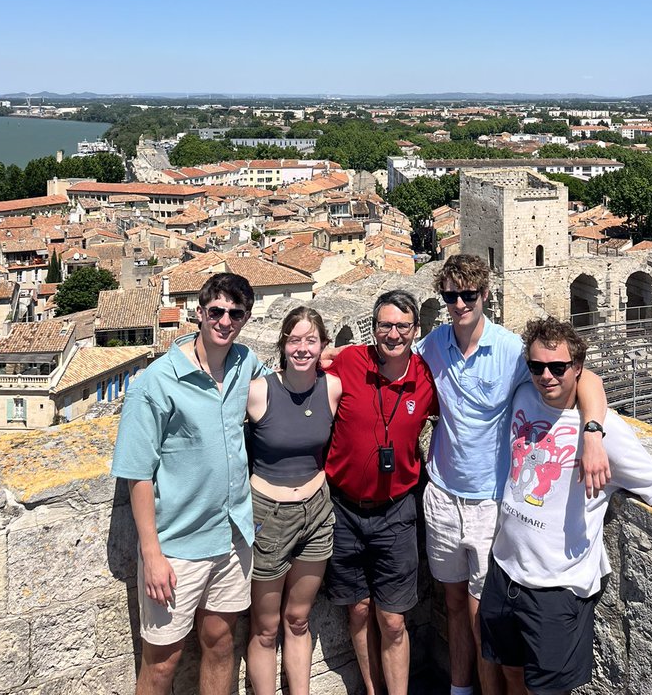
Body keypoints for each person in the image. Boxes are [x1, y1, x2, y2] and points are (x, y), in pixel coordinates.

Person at [480, 316, 652, 695]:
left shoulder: (607, 432)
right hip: (505, 568)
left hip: (555, 587)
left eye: (558, 367)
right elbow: (583, 382)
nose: (546, 376)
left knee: (546, 691)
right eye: (537, 366)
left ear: (577, 368)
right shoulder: (526, 393)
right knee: (510, 674)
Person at [415, 255, 611, 695]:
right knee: (451, 602)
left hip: (490, 502)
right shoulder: (433, 345)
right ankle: (459, 690)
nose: (460, 303)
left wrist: (593, 432)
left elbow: (583, 377)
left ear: (485, 295)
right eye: (451, 296)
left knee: (481, 614)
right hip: (443, 493)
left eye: (469, 294)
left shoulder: (509, 350)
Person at [111, 273, 266, 695]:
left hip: (233, 539)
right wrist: (152, 553)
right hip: (177, 546)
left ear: (246, 318)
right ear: (199, 313)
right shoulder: (156, 382)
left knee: (219, 643)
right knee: (162, 661)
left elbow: (285, 384)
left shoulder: (244, 363)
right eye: (215, 311)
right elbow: (138, 472)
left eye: (235, 314)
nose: (224, 321)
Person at [323, 289, 439, 695]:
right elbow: (302, 368)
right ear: (373, 328)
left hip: (396, 512)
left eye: (402, 326)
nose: (393, 334)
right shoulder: (348, 361)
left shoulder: (426, 377)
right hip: (343, 511)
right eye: (385, 325)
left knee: (392, 620)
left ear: (415, 329)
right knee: (356, 610)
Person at [245, 307, 341, 695]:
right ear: (283, 344)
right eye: (295, 340)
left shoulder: (332, 388)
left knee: (298, 620)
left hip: (317, 513)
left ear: (322, 345)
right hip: (267, 515)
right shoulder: (258, 391)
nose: (302, 348)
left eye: (311, 340)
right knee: (266, 628)